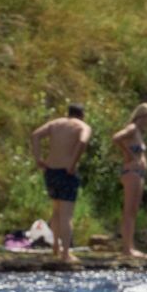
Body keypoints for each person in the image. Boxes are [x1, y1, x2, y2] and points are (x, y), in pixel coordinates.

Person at [29, 104, 92, 263]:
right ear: (82, 115)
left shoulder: (56, 123)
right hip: (66, 171)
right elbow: (83, 141)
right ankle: (65, 253)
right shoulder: (82, 126)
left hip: (51, 170)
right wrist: (73, 162)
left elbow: (35, 135)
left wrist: (38, 159)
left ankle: (55, 247)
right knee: (66, 214)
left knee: (56, 210)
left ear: (68, 113)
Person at [111, 103, 147, 257]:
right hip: (132, 171)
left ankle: (130, 246)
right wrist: (129, 154)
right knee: (129, 211)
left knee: (133, 211)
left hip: (139, 173)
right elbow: (116, 138)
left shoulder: (138, 132)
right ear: (143, 116)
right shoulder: (132, 128)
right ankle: (127, 248)